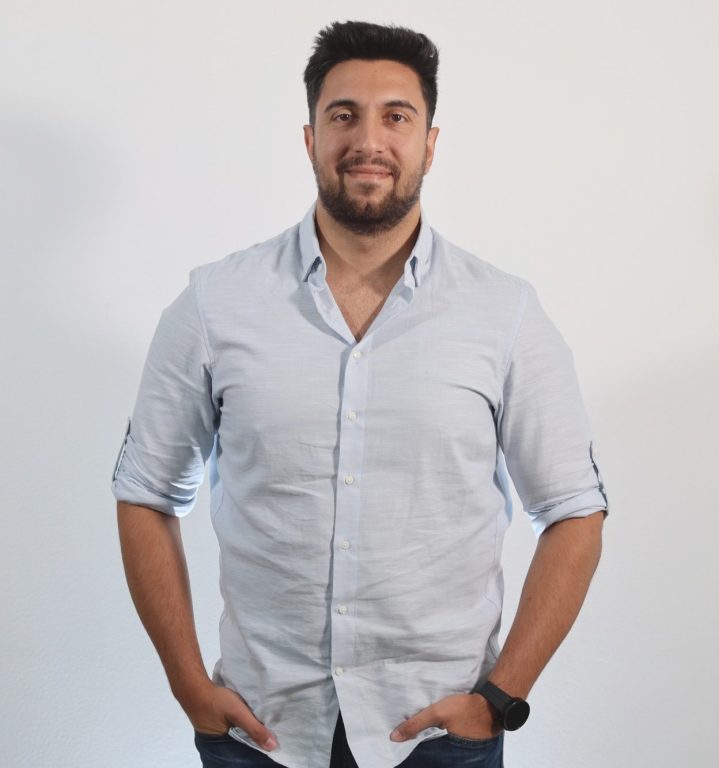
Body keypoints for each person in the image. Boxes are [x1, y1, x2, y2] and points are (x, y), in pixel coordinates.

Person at [112, 20, 609, 768]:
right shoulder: (214, 304)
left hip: (440, 736)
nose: (368, 140)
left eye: (396, 116)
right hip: (261, 731)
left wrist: (499, 699)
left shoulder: (503, 314)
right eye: (343, 115)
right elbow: (145, 492)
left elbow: (574, 511)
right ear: (310, 138)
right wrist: (188, 685)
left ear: (430, 144)